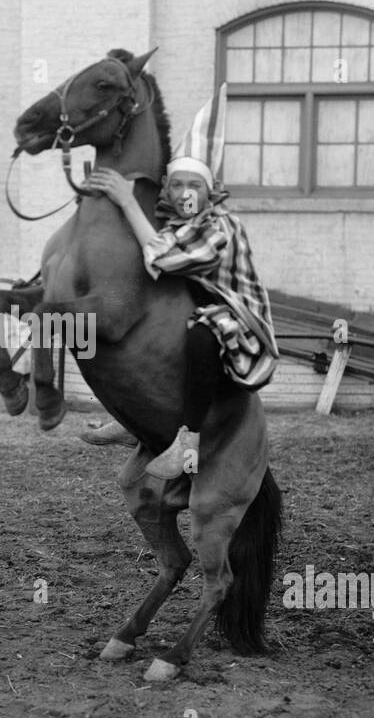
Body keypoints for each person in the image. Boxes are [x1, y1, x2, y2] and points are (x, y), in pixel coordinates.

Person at [82, 83, 279, 479]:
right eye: (177, 185)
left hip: (237, 322)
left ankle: (188, 441)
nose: (186, 193)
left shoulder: (220, 225)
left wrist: (126, 200)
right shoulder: (177, 223)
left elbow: (164, 257)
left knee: (201, 337)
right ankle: (136, 416)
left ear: (211, 192)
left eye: (195, 186)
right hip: (198, 304)